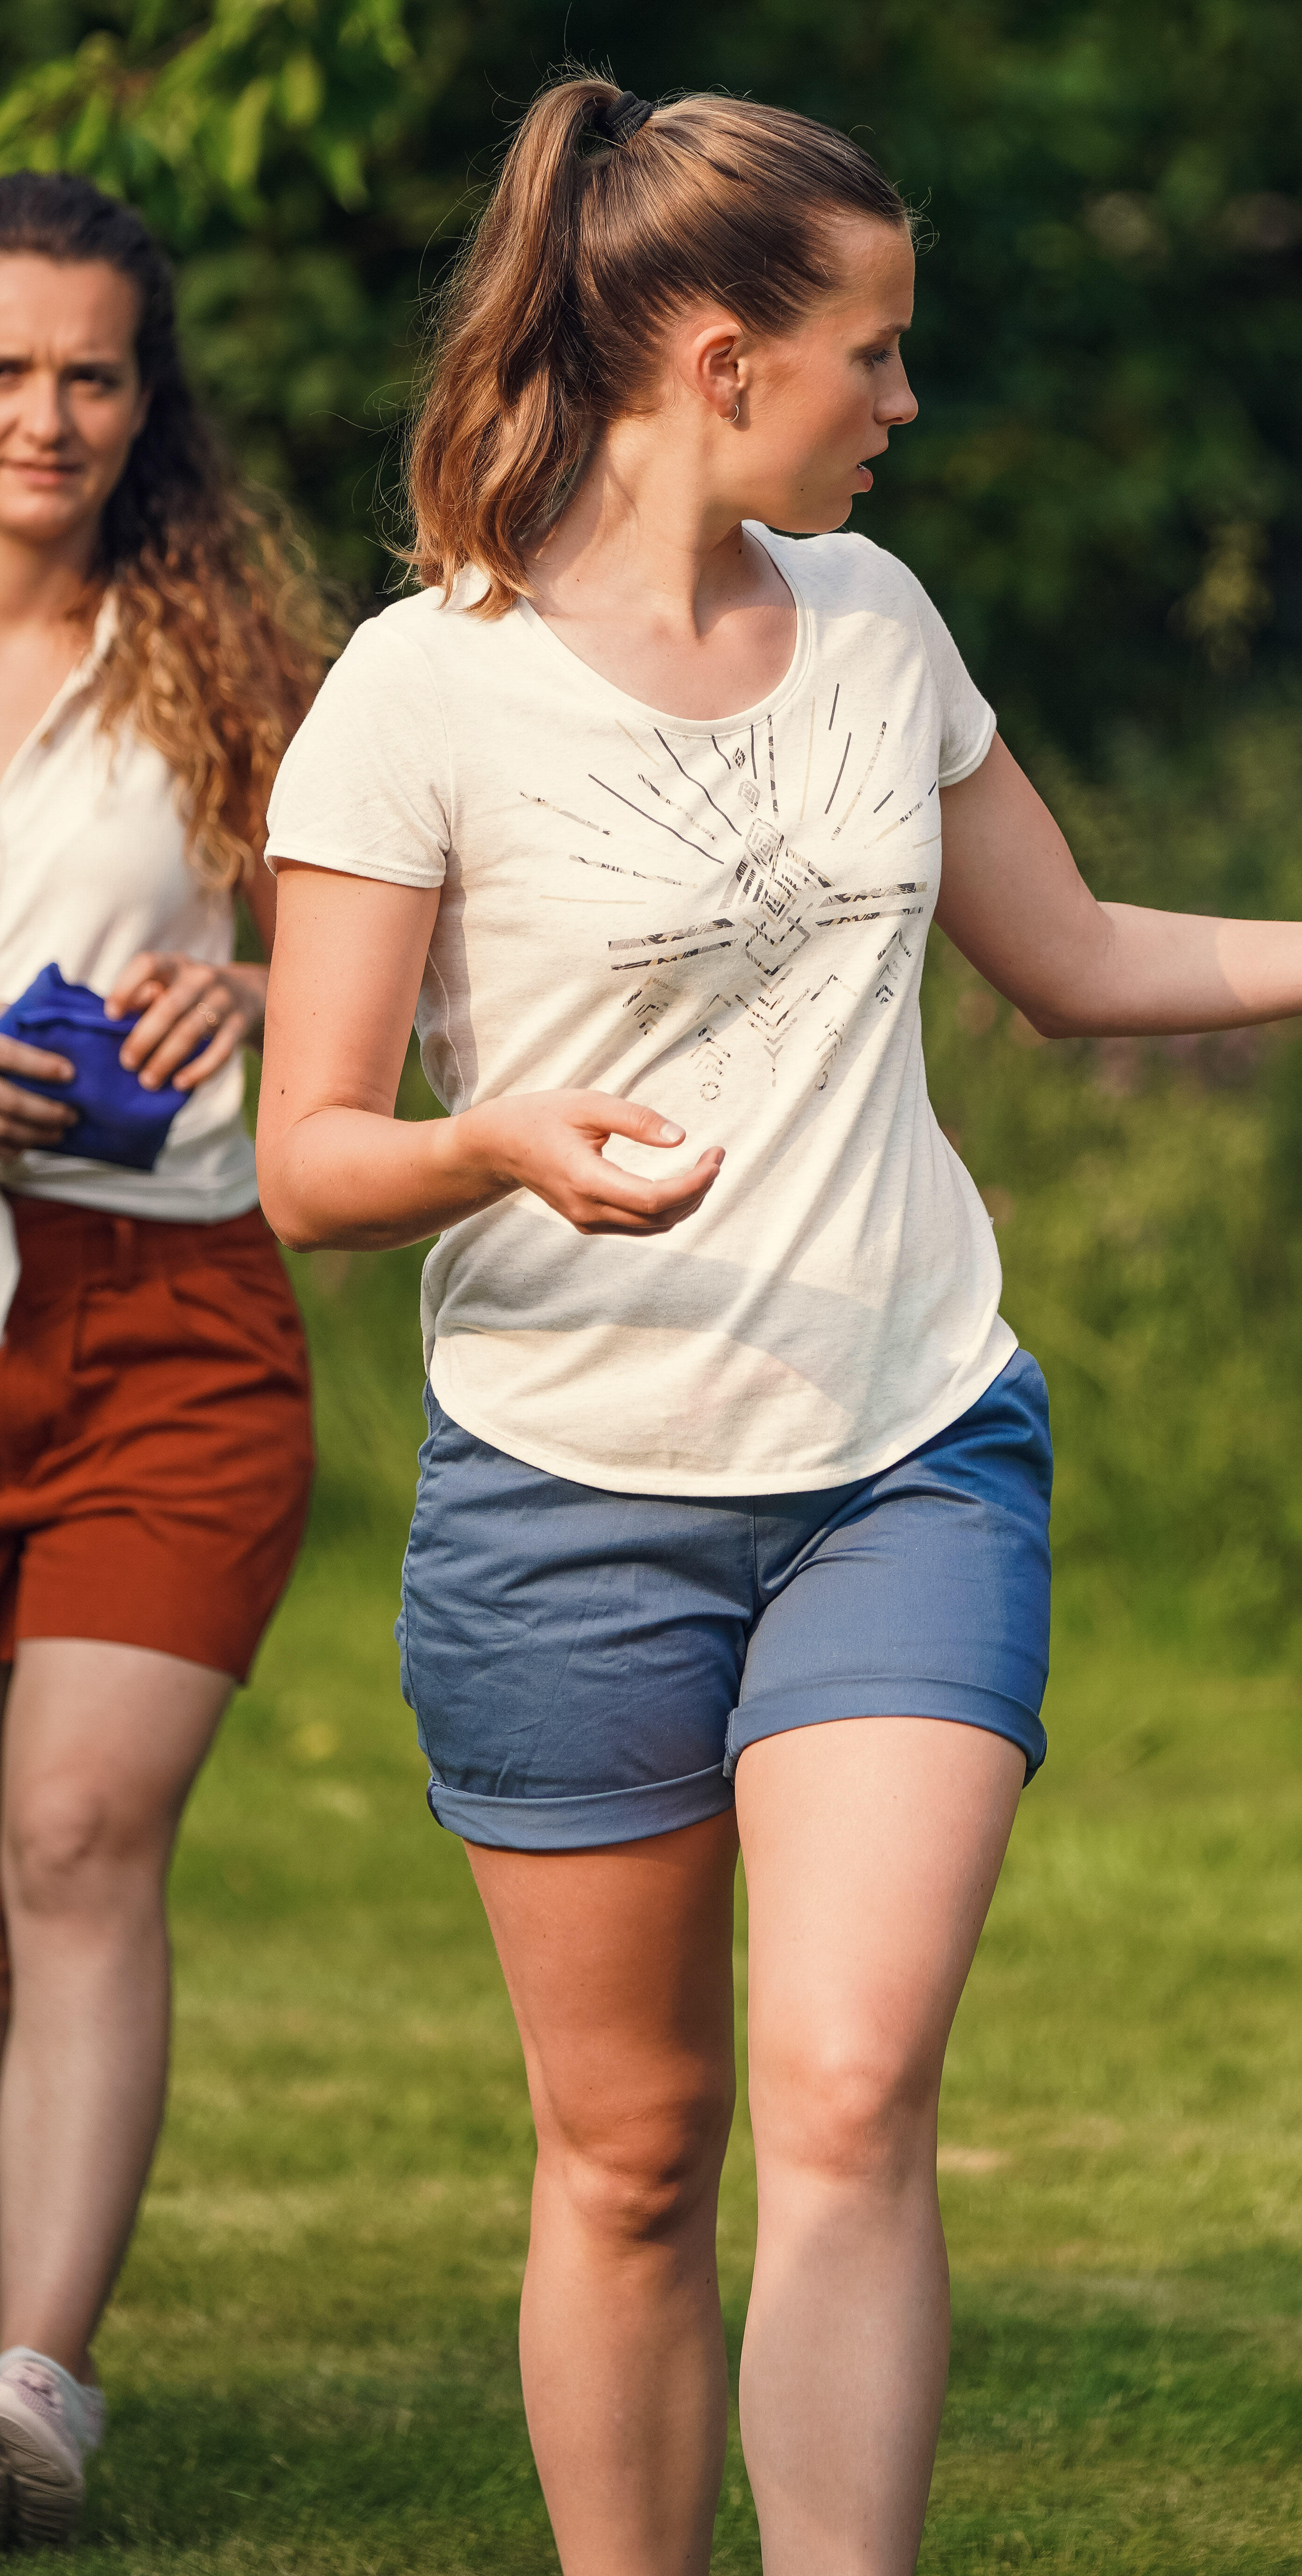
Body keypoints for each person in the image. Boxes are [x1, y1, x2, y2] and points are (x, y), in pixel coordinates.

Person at [254, 77, 1302, 2576]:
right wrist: (498, 1144)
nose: (904, 402)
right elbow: (306, 1156)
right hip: (568, 1500)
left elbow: (1082, 966)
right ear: (721, 359)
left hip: (904, 1449)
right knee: (636, 2157)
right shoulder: (419, 692)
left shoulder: (877, 626)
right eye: (873, 352)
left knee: (856, 2092)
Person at [0, 176, 326, 2542]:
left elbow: (400, 955)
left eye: (92, 373)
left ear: (150, 393)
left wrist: (264, 987)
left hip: (168, 1317)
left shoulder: (220, 651)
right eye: (6, 372)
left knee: (80, 1831)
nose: (49, 418)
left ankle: (31, 2394)